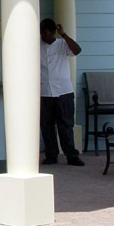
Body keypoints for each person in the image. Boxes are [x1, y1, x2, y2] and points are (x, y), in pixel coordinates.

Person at [39, 18, 84, 167]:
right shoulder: (36, 46)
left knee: (66, 125)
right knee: (46, 126)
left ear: (53, 33)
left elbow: (77, 50)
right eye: (42, 34)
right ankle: (51, 154)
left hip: (63, 91)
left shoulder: (62, 44)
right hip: (44, 91)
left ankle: (71, 155)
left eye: (46, 34)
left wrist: (64, 35)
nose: (44, 37)